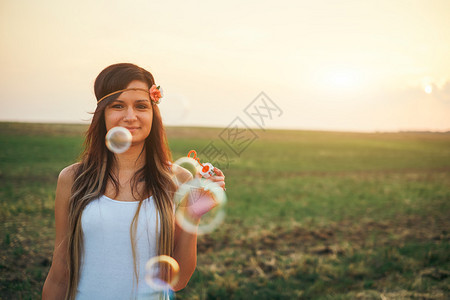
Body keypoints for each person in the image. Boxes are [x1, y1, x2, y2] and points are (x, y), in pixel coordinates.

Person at [42, 63, 226, 299]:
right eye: (118, 106)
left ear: (153, 113)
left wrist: (194, 213)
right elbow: (59, 273)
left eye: (141, 106)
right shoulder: (72, 179)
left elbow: (178, 281)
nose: (131, 117)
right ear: (103, 114)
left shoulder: (179, 179)